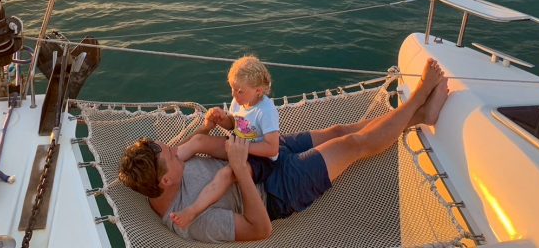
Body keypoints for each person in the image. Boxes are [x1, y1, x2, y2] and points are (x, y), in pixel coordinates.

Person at [119, 58, 449, 243]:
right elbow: (261, 230)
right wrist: (240, 170)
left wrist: (210, 126)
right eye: (171, 155)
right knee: (351, 145)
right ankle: (419, 99)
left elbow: (193, 145)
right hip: (275, 190)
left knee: (337, 131)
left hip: (260, 154)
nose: (176, 150)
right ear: (165, 182)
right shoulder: (192, 222)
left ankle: (422, 115)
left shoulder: (162, 170)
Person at [169, 55, 280, 229]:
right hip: (236, 144)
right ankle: (167, 161)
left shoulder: (266, 111)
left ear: (258, 91)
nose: (234, 94)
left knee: (225, 175)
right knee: (199, 140)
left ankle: (192, 212)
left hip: (260, 159)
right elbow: (235, 124)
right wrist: (222, 119)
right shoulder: (239, 101)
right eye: (232, 89)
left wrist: (242, 148)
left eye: (239, 91)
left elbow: (272, 148)